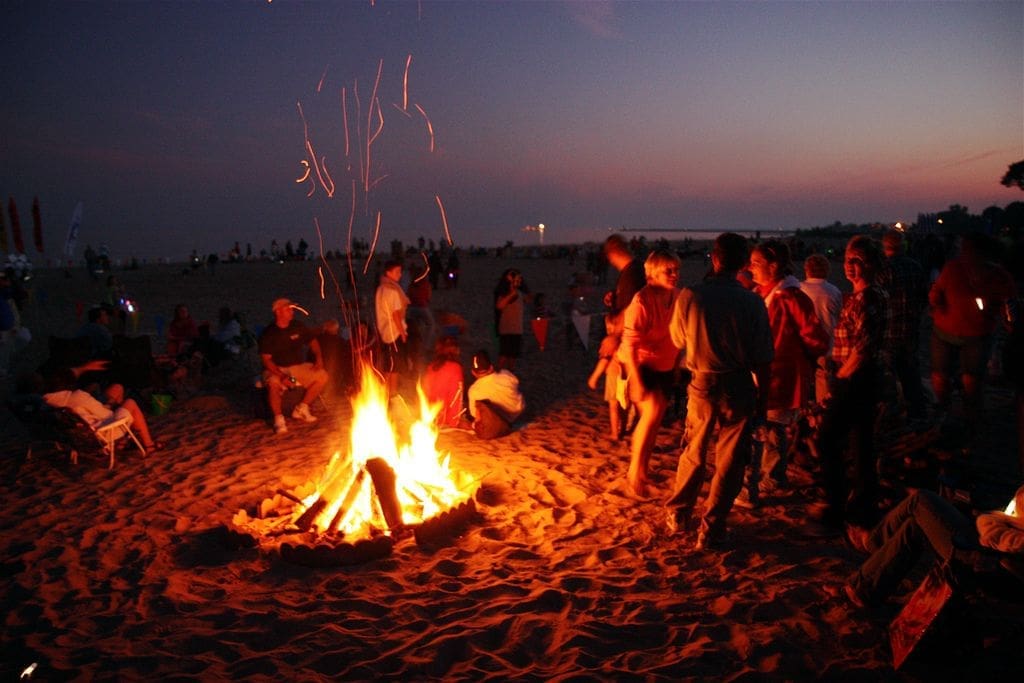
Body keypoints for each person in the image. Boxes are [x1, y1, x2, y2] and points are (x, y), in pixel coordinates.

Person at [665, 233, 773, 550]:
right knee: (730, 459)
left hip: (702, 381)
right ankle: (711, 528)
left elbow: (677, 340)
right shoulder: (752, 302)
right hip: (738, 383)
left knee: (693, 450)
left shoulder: (691, 295)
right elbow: (763, 359)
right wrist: (763, 401)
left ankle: (679, 513)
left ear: (714, 258)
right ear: (742, 264)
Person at [740, 240, 829, 507]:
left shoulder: (792, 297)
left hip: (781, 374)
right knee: (767, 427)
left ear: (774, 265)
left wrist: (802, 361)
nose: (750, 267)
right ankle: (774, 476)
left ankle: (761, 482)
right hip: (763, 371)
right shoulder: (761, 293)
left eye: (756, 263)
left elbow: (816, 338)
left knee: (768, 428)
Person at [813, 235, 890, 534]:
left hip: (856, 380)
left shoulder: (870, 297)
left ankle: (835, 509)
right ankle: (861, 509)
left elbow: (863, 348)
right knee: (861, 446)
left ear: (871, 264)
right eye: (847, 260)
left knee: (827, 439)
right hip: (859, 378)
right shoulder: (861, 296)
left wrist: (838, 380)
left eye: (858, 261)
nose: (851, 267)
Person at [840, 485, 1024, 608]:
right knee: (914, 525)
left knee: (921, 499)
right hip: (981, 536)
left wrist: (991, 525)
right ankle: (864, 590)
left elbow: (1007, 543)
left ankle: (873, 541)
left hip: (983, 557)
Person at [929, 232, 1016, 433]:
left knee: (972, 380)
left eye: (967, 249)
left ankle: (971, 419)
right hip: (943, 332)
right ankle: (944, 411)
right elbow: (937, 292)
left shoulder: (999, 277)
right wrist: (935, 299)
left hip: (977, 335)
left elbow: (1009, 307)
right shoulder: (952, 269)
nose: (963, 253)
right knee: (939, 378)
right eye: (962, 249)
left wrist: (1009, 323)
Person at [617, 249, 682, 496]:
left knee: (654, 422)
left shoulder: (676, 297)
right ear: (653, 272)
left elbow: (678, 335)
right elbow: (630, 343)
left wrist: (676, 366)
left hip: (665, 365)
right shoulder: (641, 301)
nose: (675, 274)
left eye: (677, 270)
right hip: (641, 364)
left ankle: (642, 471)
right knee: (652, 411)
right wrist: (634, 379)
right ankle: (634, 473)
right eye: (669, 270)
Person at [591, 235, 646, 442]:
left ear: (613, 252)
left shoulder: (633, 273)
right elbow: (626, 302)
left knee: (630, 391)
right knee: (626, 391)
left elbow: (633, 307)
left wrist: (614, 335)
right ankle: (627, 428)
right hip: (626, 341)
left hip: (630, 341)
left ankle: (633, 430)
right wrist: (613, 297)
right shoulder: (628, 273)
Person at [41, 360, 162, 451]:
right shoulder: (77, 396)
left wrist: (85, 368)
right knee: (130, 402)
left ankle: (123, 441)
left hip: (86, 428)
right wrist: (110, 404)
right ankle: (148, 445)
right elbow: (105, 414)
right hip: (103, 432)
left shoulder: (49, 400)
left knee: (116, 388)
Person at [879, 229, 929, 420]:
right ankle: (917, 414)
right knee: (911, 375)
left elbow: (878, 300)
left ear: (885, 246)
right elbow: (924, 298)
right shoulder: (915, 267)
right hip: (910, 329)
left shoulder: (884, 269)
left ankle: (891, 416)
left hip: (889, 332)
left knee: (888, 378)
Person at [258, 298, 328, 434]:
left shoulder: (297, 326)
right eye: (288, 309)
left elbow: (312, 341)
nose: (292, 312)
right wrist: (282, 376)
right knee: (273, 383)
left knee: (322, 376)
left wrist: (319, 358)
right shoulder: (269, 333)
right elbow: (266, 360)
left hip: (296, 370)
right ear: (278, 312)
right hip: (276, 369)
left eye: (292, 309)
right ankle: (279, 419)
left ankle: (302, 408)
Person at [800, 254, 843, 404]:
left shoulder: (799, 289)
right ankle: (821, 414)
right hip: (827, 344)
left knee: (801, 383)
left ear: (807, 270)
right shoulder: (834, 291)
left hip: (803, 344)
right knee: (823, 380)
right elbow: (839, 316)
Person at [467, 349, 525, 439]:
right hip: (515, 415)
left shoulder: (474, 390)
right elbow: (516, 384)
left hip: (495, 423)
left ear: (473, 372)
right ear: (491, 367)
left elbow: (474, 414)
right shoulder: (506, 375)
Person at [375, 259, 410, 398]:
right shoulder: (392, 291)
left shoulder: (381, 288)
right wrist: (402, 333)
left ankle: (386, 392)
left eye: (400, 272)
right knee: (395, 367)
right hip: (394, 332)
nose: (399, 275)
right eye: (397, 272)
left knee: (388, 365)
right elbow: (396, 315)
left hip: (384, 331)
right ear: (388, 272)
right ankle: (393, 394)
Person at [421, 335, 467, 429]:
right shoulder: (455, 368)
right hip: (445, 421)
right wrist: (455, 423)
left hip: (430, 417)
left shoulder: (431, 367)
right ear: (455, 350)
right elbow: (456, 399)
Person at [494, 268, 529, 372]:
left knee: (513, 356)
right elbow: (499, 306)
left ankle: (509, 374)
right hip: (507, 328)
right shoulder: (505, 293)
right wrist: (511, 294)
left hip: (517, 329)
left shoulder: (519, 293)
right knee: (504, 355)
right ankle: (497, 374)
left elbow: (529, 299)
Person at [405, 261, 435, 373]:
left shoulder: (411, 284)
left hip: (412, 308)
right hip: (422, 308)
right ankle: (426, 346)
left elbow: (407, 296)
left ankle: (414, 346)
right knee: (431, 325)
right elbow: (428, 297)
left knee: (413, 328)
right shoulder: (426, 284)